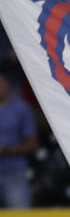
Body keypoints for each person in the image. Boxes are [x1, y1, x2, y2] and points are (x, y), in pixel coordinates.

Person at [0, 73, 37, 208]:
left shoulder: (21, 108)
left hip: (14, 172)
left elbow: (32, 144)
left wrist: (6, 149)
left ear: (8, 84)